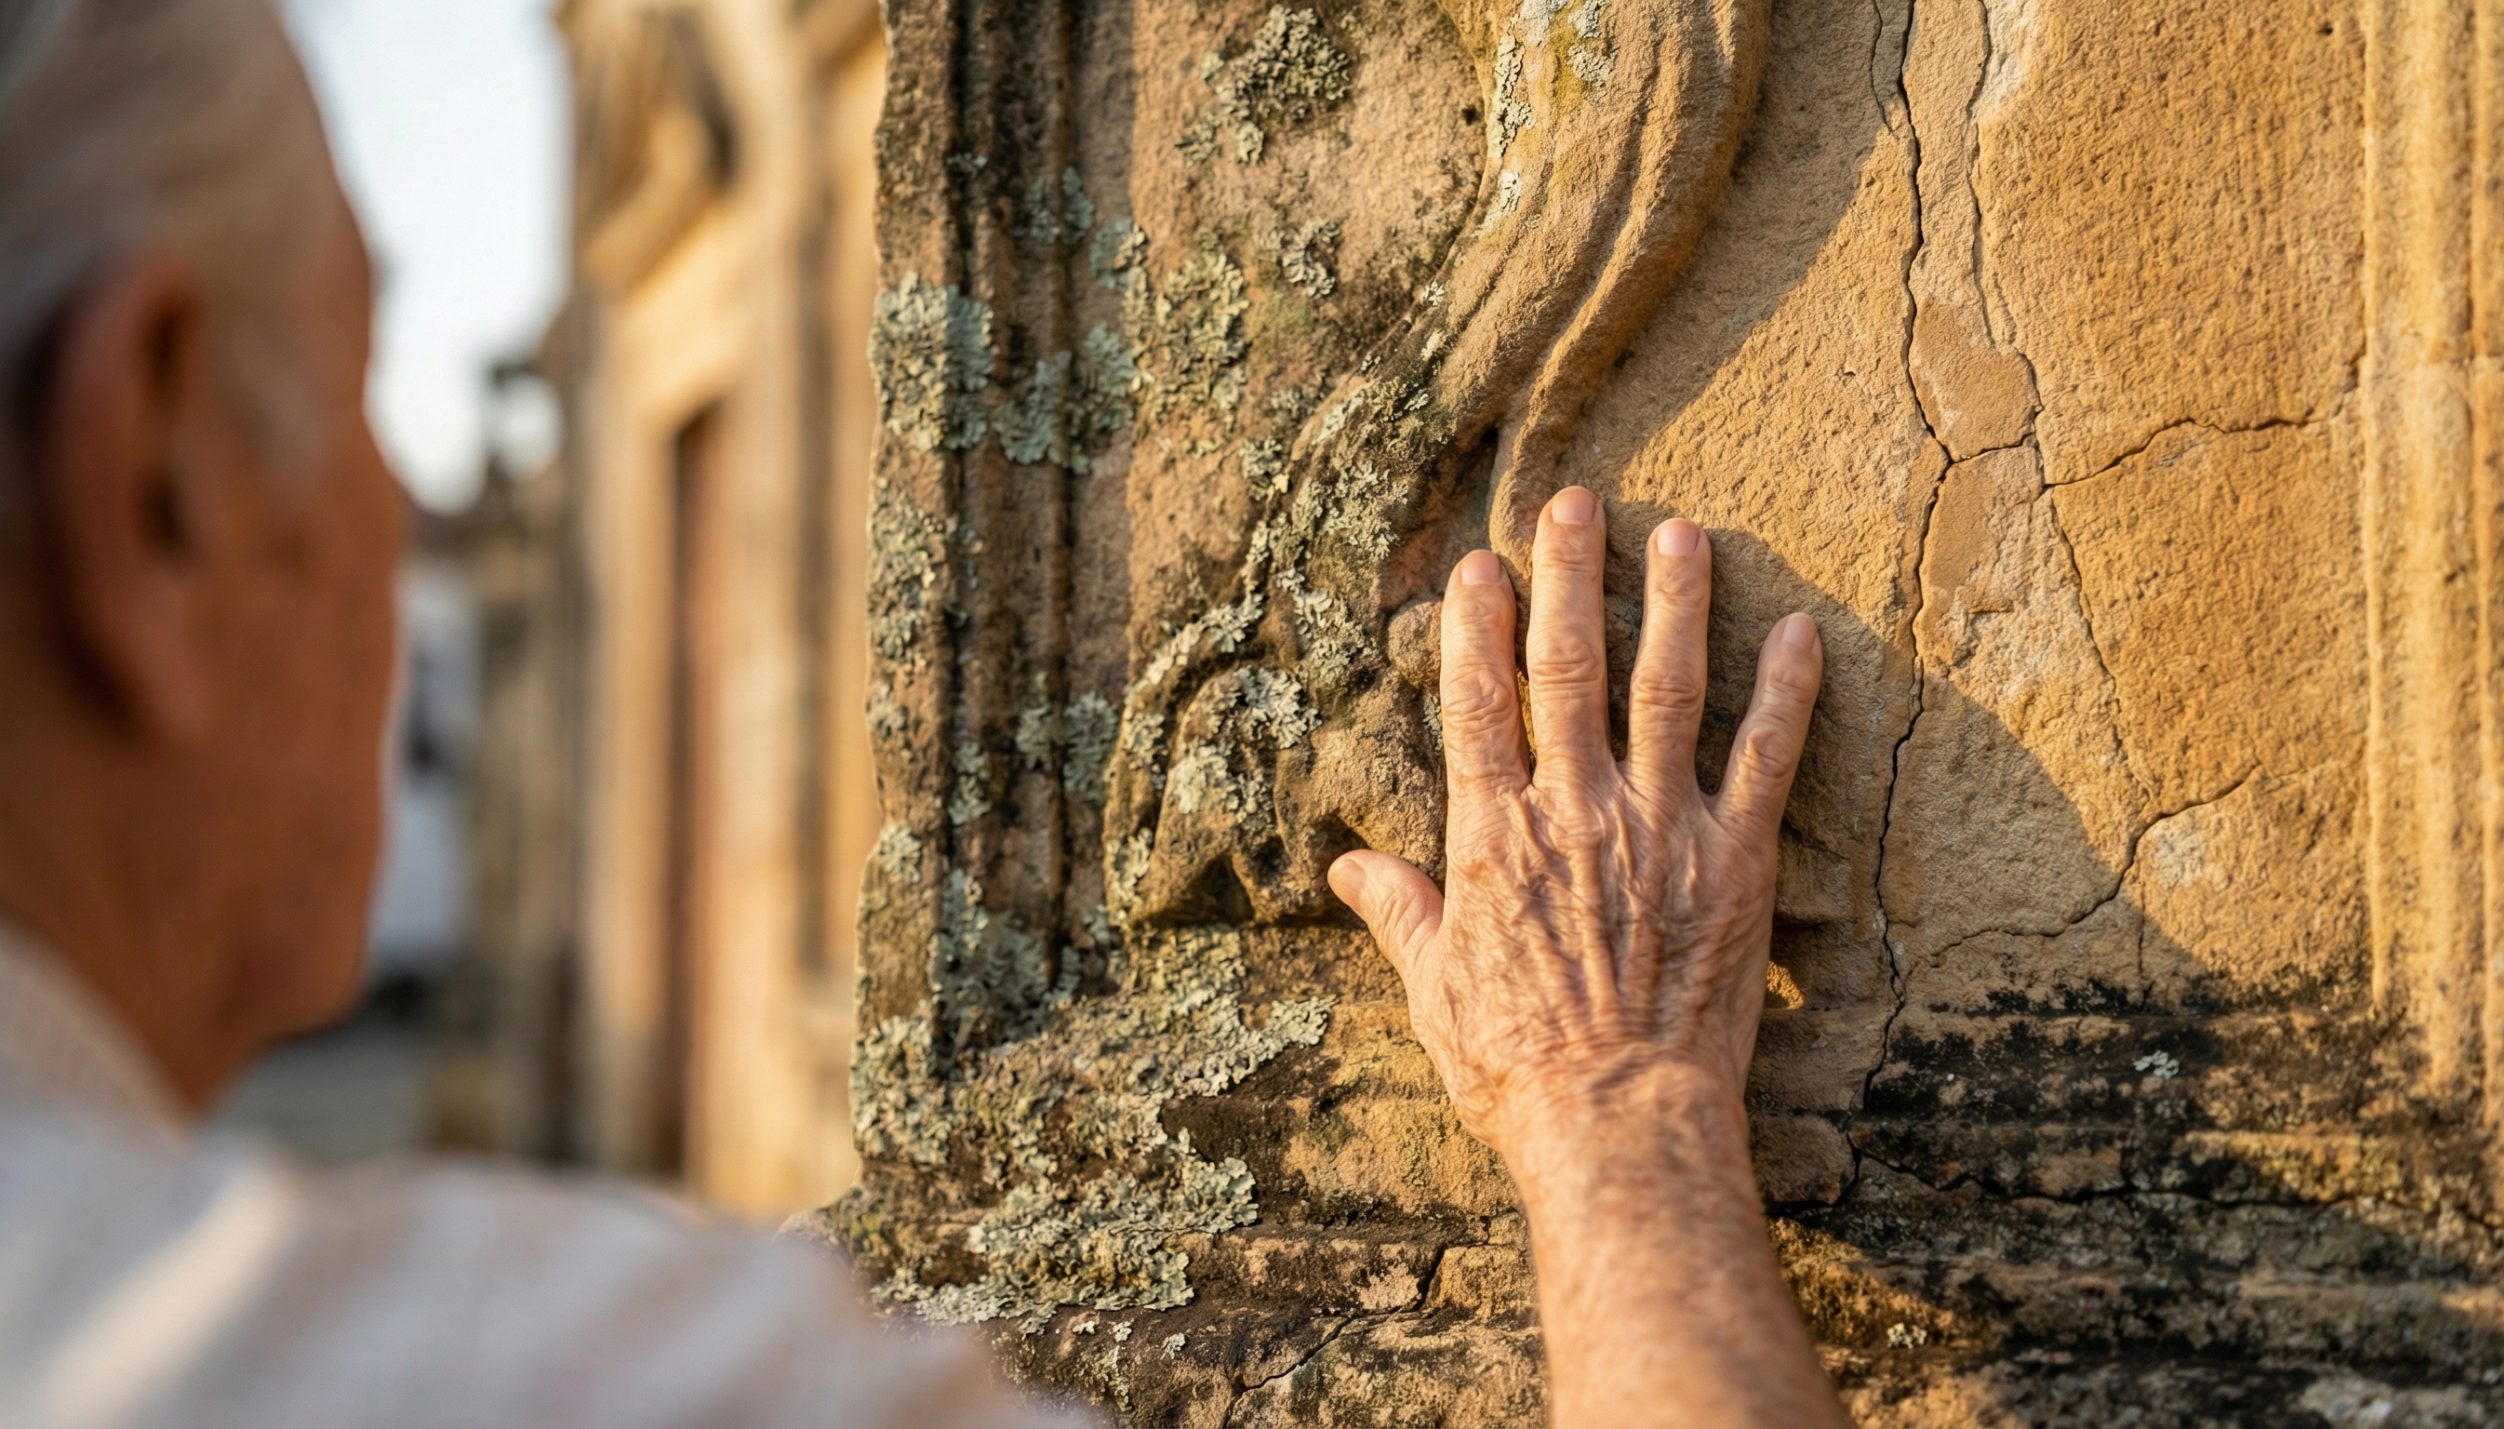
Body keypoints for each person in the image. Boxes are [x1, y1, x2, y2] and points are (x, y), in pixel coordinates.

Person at [0, 0, 1847, 1425]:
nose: (406, 508)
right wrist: (1622, 1111)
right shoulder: (569, 1382)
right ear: (145, 475)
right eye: (354, 390)